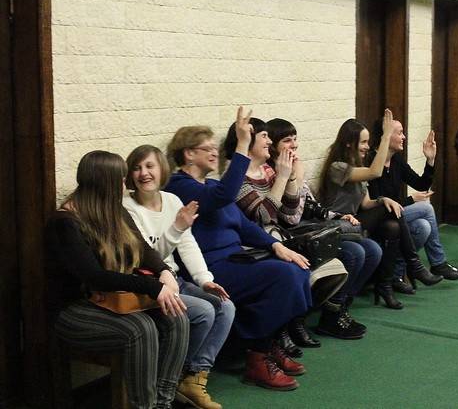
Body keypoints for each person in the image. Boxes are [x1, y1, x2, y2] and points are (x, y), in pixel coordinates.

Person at [164, 107, 312, 391]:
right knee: (282, 277)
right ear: (188, 154)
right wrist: (243, 143)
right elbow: (224, 195)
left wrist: (276, 245)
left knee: (297, 267)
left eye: (214, 147)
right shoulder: (179, 186)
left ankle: (264, 343)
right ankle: (257, 357)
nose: (214, 152)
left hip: (237, 258)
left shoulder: (210, 184)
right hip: (212, 267)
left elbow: (244, 225)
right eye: (206, 148)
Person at [45, 150, 189, 409]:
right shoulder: (65, 222)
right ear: (105, 183)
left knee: (177, 316)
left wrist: (164, 271)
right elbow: (94, 276)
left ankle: (163, 402)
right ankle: (143, 405)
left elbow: (143, 249)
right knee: (141, 328)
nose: (126, 184)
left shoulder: (114, 210)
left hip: (110, 300)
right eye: (121, 179)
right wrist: (153, 287)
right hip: (73, 310)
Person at [124, 145, 235, 409]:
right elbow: (146, 257)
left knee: (226, 307)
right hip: (150, 284)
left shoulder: (172, 200)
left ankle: (193, 377)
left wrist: (204, 279)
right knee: (204, 312)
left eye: (149, 166)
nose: (143, 173)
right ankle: (170, 379)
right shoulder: (127, 207)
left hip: (176, 279)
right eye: (137, 168)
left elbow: (186, 243)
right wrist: (176, 228)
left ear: (161, 169)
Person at [222, 117, 348, 350]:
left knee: (336, 259)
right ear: (248, 140)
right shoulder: (235, 176)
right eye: (264, 136)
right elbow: (263, 216)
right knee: (300, 267)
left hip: (278, 236)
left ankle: (295, 320)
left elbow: (291, 216)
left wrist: (289, 176)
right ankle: (283, 327)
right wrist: (282, 176)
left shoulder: (267, 170)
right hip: (254, 245)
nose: (270, 142)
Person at [264, 117, 382, 340]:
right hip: (292, 236)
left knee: (372, 249)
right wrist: (293, 177)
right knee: (355, 252)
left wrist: (337, 215)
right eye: (287, 140)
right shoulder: (274, 173)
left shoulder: (292, 166)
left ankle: (340, 307)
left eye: (295, 139)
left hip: (311, 227)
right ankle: (330, 315)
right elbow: (291, 218)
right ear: (272, 146)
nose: (294, 145)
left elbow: (311, 206)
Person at [319, 109, 442, 310]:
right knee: (402, 212)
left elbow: (367, 203)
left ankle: (385, 285)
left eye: (368, 142)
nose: (367, 147)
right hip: (336, 226)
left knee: (393, 227)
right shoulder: (338, 167)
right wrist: (385, 136)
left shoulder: (360, 164)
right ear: (349, 143)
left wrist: (384, 200)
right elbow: (374, 172)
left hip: (355, 221)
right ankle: (414, 265)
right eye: (363, 142)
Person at [367, 117, 458, 291]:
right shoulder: (371, 161)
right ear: (386, 136)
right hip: (378, 217)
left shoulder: (397, 160)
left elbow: (421, 185)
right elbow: (377, 202)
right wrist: (410, 200)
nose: (404, 137)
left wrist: (430, 160)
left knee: (423, 227)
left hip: (397, 216)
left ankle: (397, 274)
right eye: (399, 133)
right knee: (426, 208)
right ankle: (438, 263)